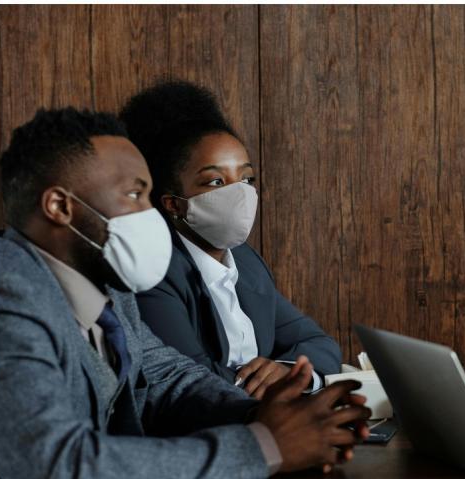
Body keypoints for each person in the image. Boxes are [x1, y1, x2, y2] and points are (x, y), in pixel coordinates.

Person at [0, 107, 370, 479]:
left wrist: (271, 414)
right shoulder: (4, 297)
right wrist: (263, 445)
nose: (151, 214)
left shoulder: (104, 284)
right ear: (60, 207)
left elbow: (169, 378)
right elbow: (63, 473)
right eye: (135, 194)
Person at [118, 81, 340, 400]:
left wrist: (286, 370)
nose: (239, 193)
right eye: (217, 181)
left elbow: (320, 343)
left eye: (247, 178)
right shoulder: (154, 272)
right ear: (173, 203)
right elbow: (191, 378)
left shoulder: (246, 262)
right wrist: (274, 386)